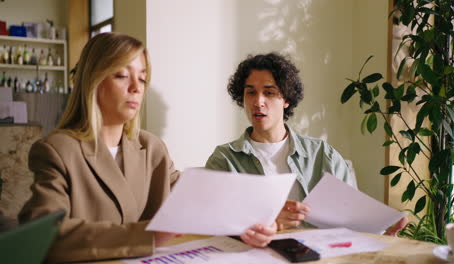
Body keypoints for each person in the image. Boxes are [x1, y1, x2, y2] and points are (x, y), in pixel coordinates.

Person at [18, 33, 274, 264]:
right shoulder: (57, 150)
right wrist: (147, 235)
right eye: (121, 75)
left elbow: (195, 201)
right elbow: (43, 236)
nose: (136, 87)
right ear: (93, 81)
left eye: (142, 78)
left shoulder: (152, 148)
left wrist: (248, 221)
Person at [205, 53, 408, 234]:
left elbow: (353, 219)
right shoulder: (225, 159)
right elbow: (212, 224)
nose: (258, 102)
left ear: (286, 99)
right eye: (251, 92)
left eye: (269, 92)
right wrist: (267, 221)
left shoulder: (322, 155)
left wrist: (380, 231)